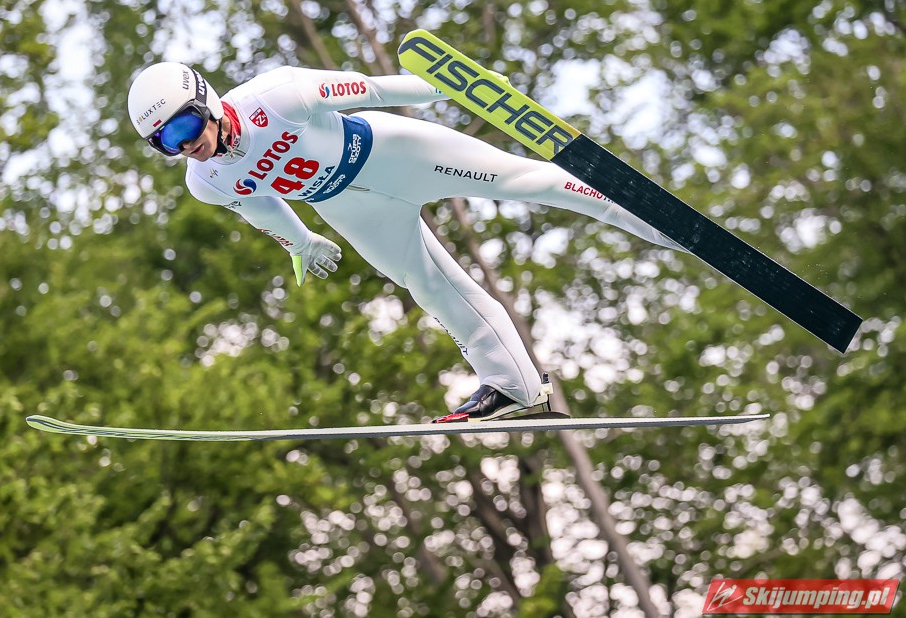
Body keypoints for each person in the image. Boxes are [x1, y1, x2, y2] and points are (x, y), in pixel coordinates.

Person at [127, 62, 679, 422]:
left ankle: (654, 220)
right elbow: (258, 204)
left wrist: (460, 86)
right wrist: (299, 243)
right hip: (348, 206)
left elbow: (375, 88)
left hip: (390, 155)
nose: (184, 147)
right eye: (164, 143)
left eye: (184, 128)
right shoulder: (206, 181)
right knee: (429, 285)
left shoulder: (276, 96)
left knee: (525, 181)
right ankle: (513, 385)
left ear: (207, 102)